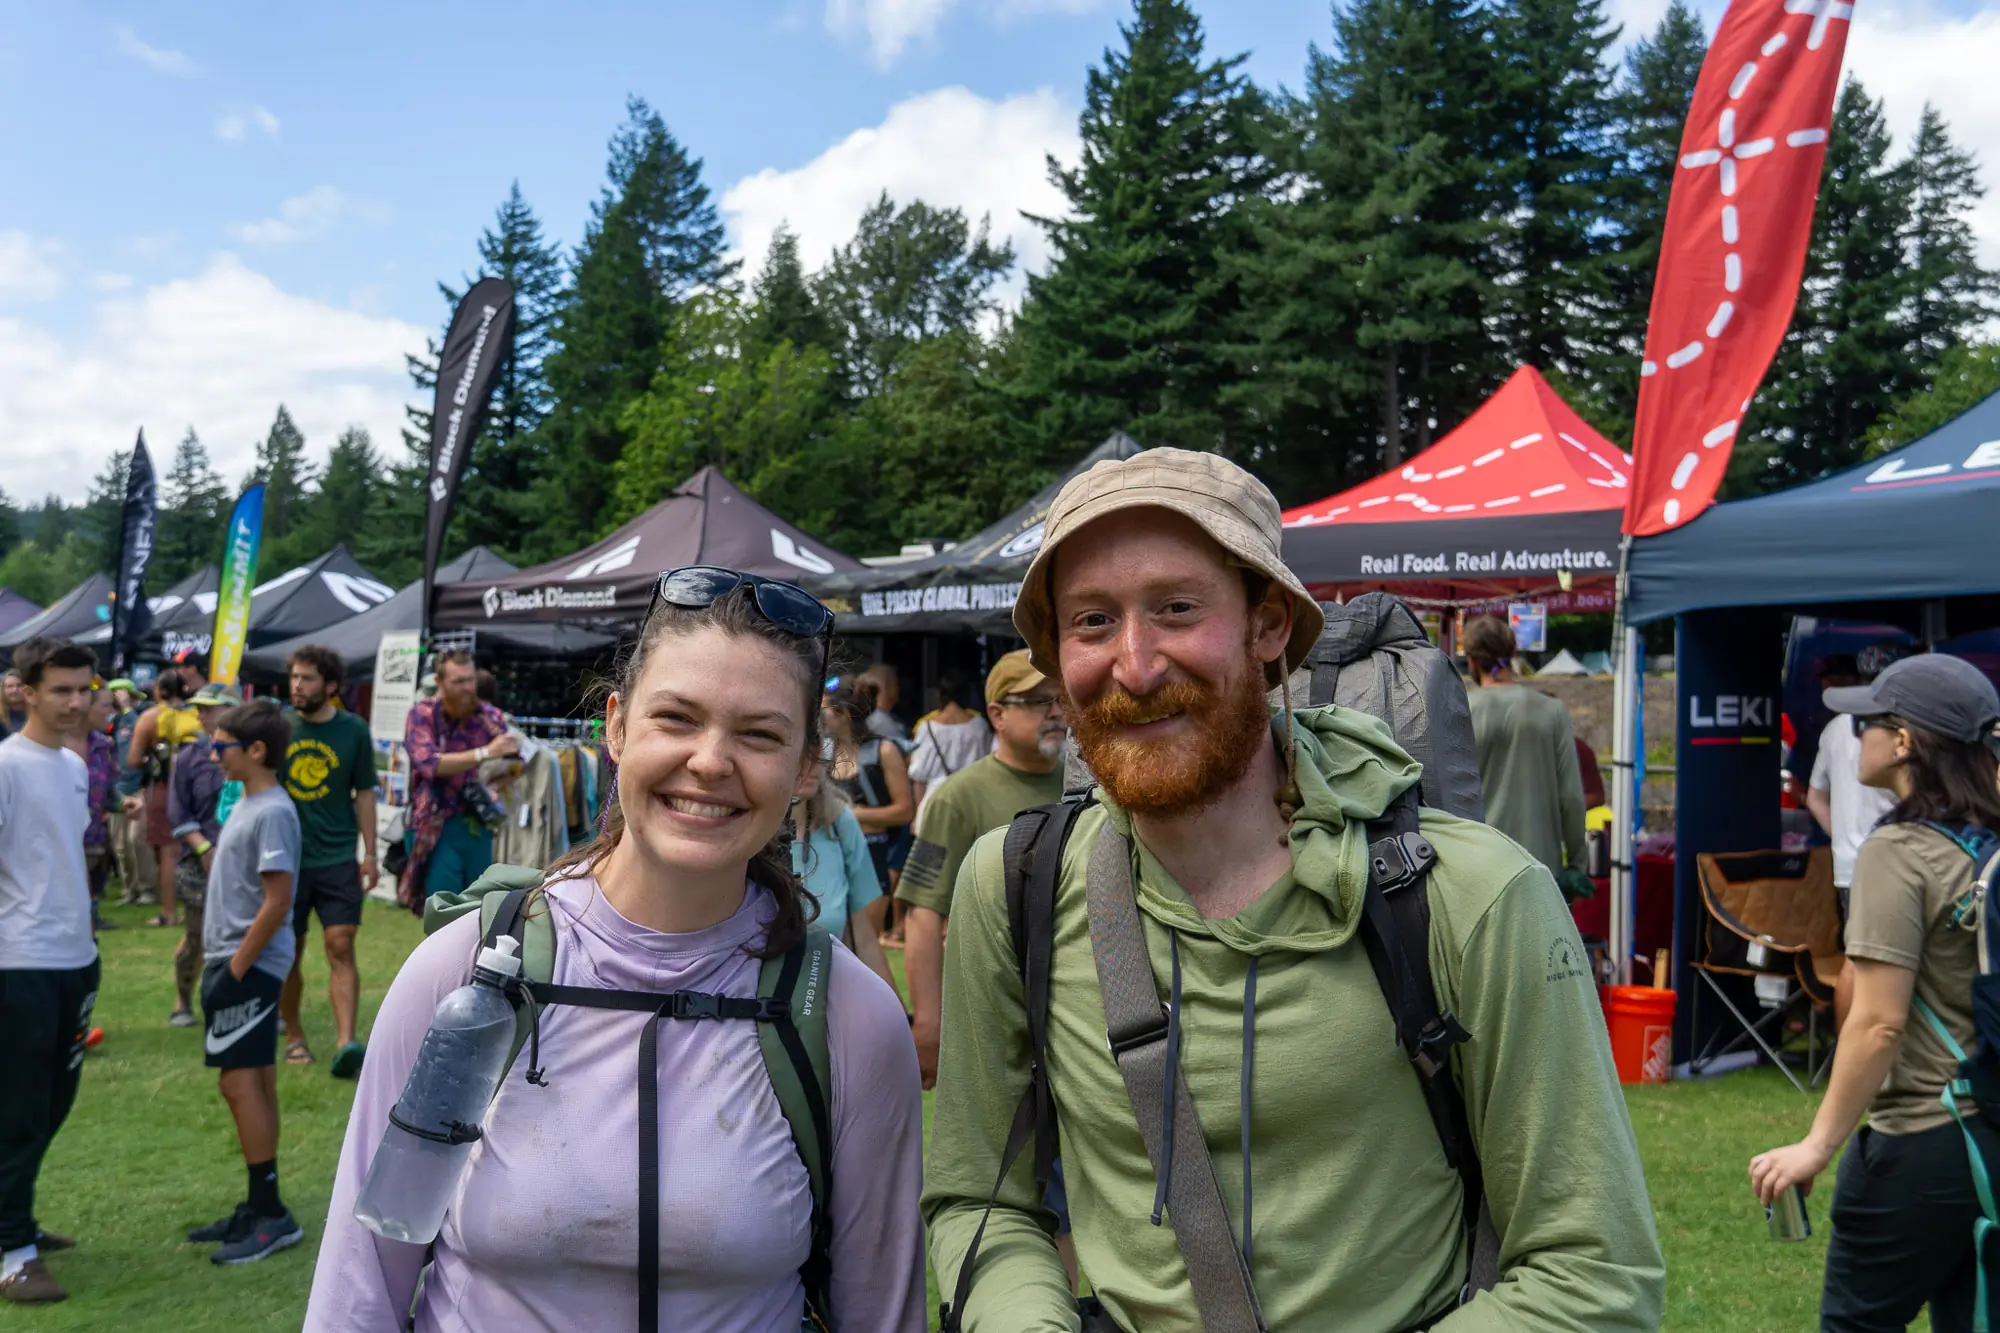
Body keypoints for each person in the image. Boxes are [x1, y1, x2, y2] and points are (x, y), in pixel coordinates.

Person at [925, 448, 1664, 1331]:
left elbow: (1595, 1271)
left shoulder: (1475, 895)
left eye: (1176, 608)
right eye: (1091, 620)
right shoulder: (1013, 887)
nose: (1135, 663)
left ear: (1269, 623)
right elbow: (982, 1202)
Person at [306, 566, 924, 1331]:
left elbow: (882, 1312)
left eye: (759, 733)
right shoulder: (465, 971)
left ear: (804, 766)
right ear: (617, 726)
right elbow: (358, 1284)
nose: (710, 761)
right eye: (677, 718)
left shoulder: (848, 1019)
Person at [1752, 655, 2000, 1332]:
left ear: (1905, 741)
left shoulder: (1901, 850)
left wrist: (1817, 1144)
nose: (1853, 733)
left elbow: (1878, 1023)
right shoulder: (1985, 844)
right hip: (1991, 1133)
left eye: (1867, 720)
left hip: (1922, 1138)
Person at [899, 649, 1068, 1091]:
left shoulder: (1085, 784)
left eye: (1060, 698)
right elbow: (921, 911)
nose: (1055, 713)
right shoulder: (958, 797)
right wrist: (930, 1025)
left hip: (1076, 1014)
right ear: (997, 714)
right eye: (1036, 702)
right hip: (995, 1016)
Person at [0, 639, 101, 1306]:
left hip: (75, 957)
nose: (75, 702)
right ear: (26, 690)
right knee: (20, 1108)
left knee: (54, 1103)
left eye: (83, 688)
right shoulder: (6, 765)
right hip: (21, 962)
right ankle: (14, 1252)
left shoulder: (70, 763)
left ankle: (16, 1219)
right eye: (61, 689)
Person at [185, 699, 304, 1266]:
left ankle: (272, 1215)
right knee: (253, 1077)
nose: (214, 753)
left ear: (255, 751)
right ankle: (261, 1206)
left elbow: (278, 902)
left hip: (249, 964)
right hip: (238, 959)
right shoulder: (250, 801)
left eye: (222, 744)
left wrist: (233, 972)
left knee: (237, 1083)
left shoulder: (272, 811)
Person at [277, 646, 378, 1078]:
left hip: (337, 857)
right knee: (289, 951)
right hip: (287, 859)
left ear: (331, 686)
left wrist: (370, 852)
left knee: (340, 944)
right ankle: (294, 1033)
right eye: (295, 678)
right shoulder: (279, 726)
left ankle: (345, 1042)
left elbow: (366, 793)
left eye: (308, 679)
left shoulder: (353, 730)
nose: (298, 685)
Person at [1461, 614, 1592, 898]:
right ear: (1513, 654)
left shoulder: (1459, 711)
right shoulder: (1551, 711)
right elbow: (1571, 797)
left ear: (1471, 660)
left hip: (1478, 871)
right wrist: (1577, 864)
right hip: (1540, 871)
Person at [400, 649, 514, 903]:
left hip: (479, 822)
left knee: (480, 906)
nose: (467, 688)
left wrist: (497, 783)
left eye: (470, 679)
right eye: (458, 682)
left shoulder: (489, 716)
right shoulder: (422, 715)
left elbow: (517, 761)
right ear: (439, 682)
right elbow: (429, 763)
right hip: (436, 823)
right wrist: (484, 753)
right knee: (445, 907)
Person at [165, 682, 237, 1028]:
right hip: (199, 859)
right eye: (199, 707)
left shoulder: (251, 751)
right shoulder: (190, 757)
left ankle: (237, 1003)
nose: (202, 713)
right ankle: (183, 1001)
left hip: (242, 861)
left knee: (247, 935)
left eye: (210, 707)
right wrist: (204, 847)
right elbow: (178, 812)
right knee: (196, 934)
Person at [792, 759, 898, 991]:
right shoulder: (745, 833)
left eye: (818, 749)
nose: (812, 763)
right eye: (802, 750)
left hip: (826, 1002)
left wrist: (895, 1016)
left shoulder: (839, 822)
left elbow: (865, 938)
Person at [1807, 657, 1898, 921]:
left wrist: (1842, 836)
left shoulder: (1834, 728)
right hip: (1892, 868)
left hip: (1848, 867)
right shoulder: (1905, 727)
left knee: (1859, 955)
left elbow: (1815, 797)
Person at [824, 678, 914, 908]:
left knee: (866, 936)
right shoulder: (825, 750)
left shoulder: (882, 751)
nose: (818, 717)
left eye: (823, 711)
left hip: (871, 850)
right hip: (832, 848)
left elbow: (904, 811)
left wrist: (852, 814)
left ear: (842, 714)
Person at [129, 668, 201, 927]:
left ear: (158, 690)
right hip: (199, 788)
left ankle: (168, 912)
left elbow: (134, 759)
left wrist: (151, 759)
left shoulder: (150, 717)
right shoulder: (197, 714)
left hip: (166, 787)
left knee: (169, 852)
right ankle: (201, 906)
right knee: (202, 844)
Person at [64, 682, 122, 936]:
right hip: (60, 841)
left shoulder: (104, 745)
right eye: (106, 705)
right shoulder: (55, 744)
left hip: (93, 838)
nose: (112, 711)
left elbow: (108, 791)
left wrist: (123, 802)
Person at [905, 667, 994, 825]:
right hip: (970, 800)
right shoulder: (979, 726)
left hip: (934, 802)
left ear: (939, 694)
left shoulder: (927, 728)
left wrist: (918, 816)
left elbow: (919, 777)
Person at [107, 679, 156, 905]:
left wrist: (127, 709)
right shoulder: (112, 720)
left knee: (137, 840)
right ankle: (130, 889)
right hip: (118, 789)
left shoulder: (138, 718)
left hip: (140, 787)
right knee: (120, 845)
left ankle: (147, 889)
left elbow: (132, 746)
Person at [859, 663, 910, 743]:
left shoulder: (888, 717)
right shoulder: (879, 721)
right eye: (896, 683)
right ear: (885, 686)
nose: (898, 688)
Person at [2, 668, 27, 737]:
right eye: (10, 686)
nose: (15, 690)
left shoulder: (37, 715)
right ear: (3, 690)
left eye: (19, 685)